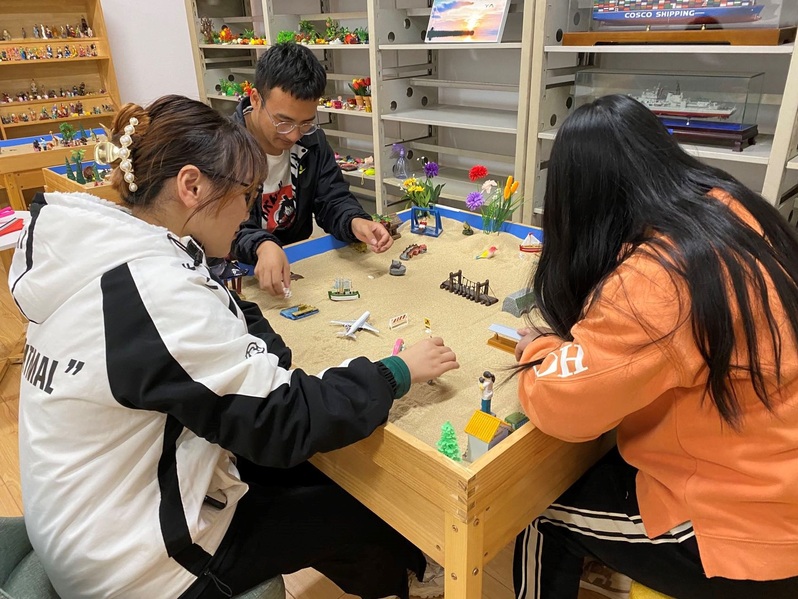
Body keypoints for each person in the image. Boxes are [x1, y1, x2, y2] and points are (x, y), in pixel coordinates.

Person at [9, 95, 458, 599]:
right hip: (137, 566)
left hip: (87, 521)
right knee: (352, 508)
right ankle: (412, 578)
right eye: (245, 194)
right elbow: (284, 419)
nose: (248, 212)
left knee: (302, 468)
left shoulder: (106, 251)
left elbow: (244, 342)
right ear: (191, 186)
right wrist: (394, 372)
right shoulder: (157, 292)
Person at [512, 94, 798, 599]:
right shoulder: (730, 206)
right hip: (776, 476)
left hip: (746, 529)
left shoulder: (655, 280)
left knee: (533, 509)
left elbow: (561, 407)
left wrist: (541, 350)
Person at [232, 42, 392, 297]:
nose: (294, 135)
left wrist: (355, 220)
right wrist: (262, 245)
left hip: (298, 263)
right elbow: (227, 228)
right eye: (283, 122)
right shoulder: (225, 150)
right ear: (255, 99)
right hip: (242, 272)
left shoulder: (312, 140)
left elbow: (332, 198)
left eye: (306, 123)